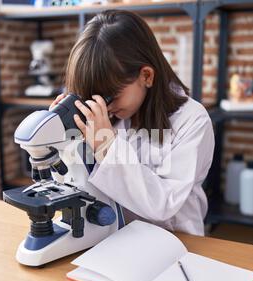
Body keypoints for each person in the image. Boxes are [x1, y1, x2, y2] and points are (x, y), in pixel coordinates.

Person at [49, 10, 214, 236]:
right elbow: (76, 184)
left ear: (146, 76)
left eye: (109, 97)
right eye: (93, 98)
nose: (104, 108)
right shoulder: (106, 117)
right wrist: (65, 137)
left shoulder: (193, 120)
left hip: (177, 240)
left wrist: (106, 146)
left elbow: (163, 203)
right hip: (115, 236)